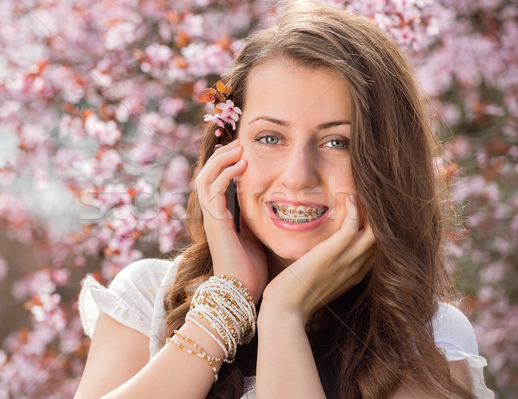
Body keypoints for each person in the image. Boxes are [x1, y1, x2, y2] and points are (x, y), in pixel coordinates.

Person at [74, 1, 494, 398]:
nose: (297, 176)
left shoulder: (427, 337)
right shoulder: (149, 296)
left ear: (387, 163)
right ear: (226, 149)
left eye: (337, 142)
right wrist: (224, 306)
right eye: (270, 138)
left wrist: (283, 313)